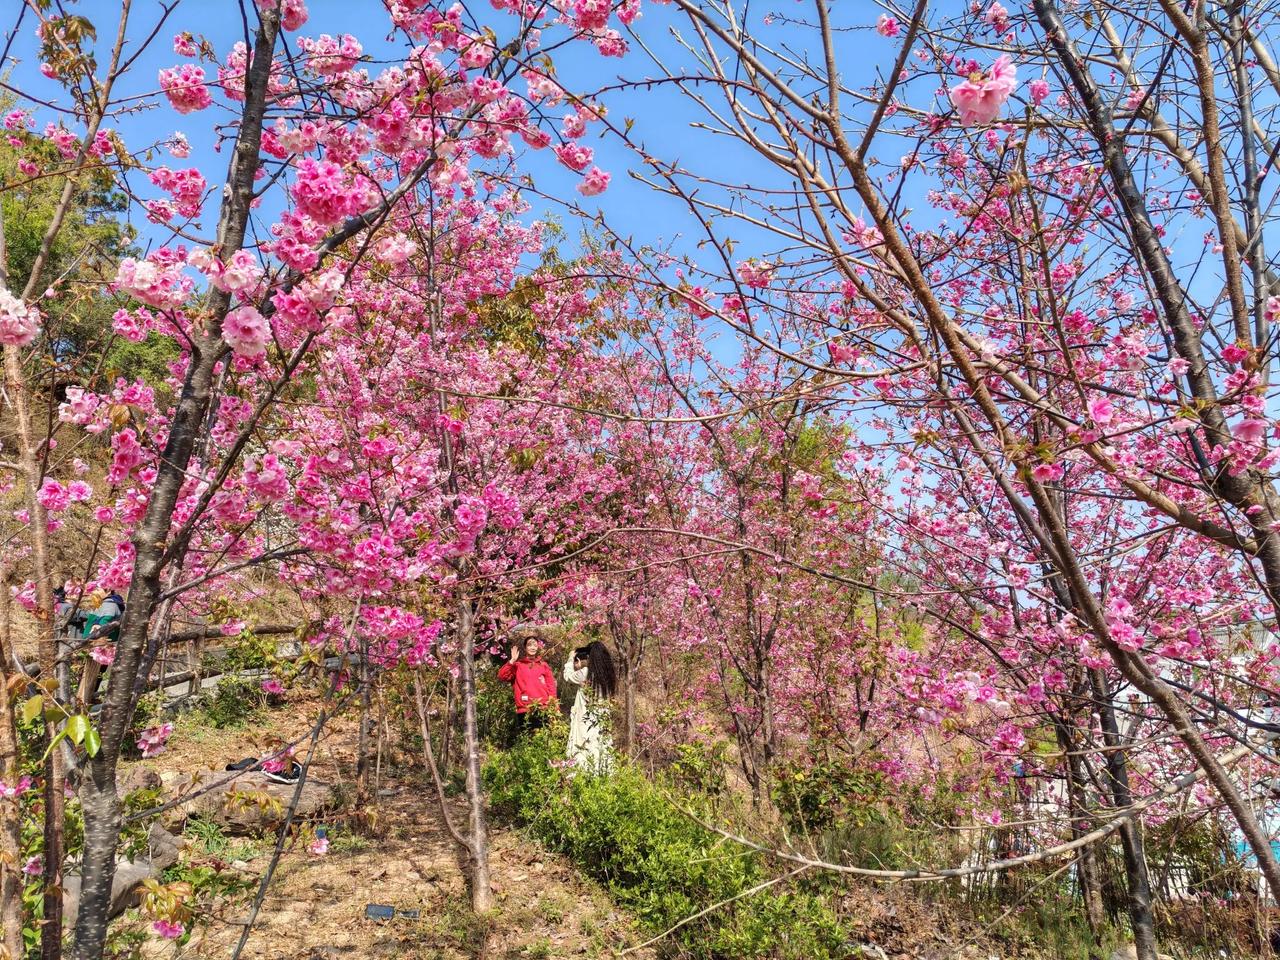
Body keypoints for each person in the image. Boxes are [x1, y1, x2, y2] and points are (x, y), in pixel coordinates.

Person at [562, 640, 617, 774]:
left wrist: (570, 659)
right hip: (601, 716)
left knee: (582, 743)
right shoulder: (609, 674)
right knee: (600, 744)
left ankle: (581, 773)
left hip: (585, 716)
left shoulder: (585, 672)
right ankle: (601, 773)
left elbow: (567, 676)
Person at [497, 629, 557, 733]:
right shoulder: (518, 665)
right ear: (525, 648)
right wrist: (512, 661)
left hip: (543, 707)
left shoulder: (543, 666)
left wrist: (554, 706)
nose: (533, 647)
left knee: (543, 737)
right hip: (525, 708)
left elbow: (551, 686)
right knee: (527, 738)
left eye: (535, 645)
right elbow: (502, 676)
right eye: (530, 645)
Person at [77, 591, 124, 706]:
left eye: (98, 590)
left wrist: (97, 633)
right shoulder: (108, 604)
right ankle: (84, 697)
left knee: (92, 671)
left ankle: (85, 697)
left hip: (100, 642)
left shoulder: (110, 605)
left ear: (107, 591)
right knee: (93, 671)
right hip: (98, 643)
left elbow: (104, 621)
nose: (94, 594)